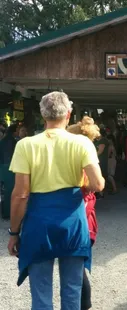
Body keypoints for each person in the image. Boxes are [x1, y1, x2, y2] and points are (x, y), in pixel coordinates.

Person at [7, 92, 105, 310]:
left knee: (41, 293)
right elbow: (98, 185)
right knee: (72, 290)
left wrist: (14, 233)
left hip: (39, 221)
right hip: (73, 221)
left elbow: (21, 194)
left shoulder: (26, 145)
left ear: (43, 115)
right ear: (68, 114)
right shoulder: (82, 143)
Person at [67, 116, 101, 310]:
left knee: (77, 269)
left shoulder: (78, 154)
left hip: (80, 214)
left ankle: (85, 305)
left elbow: (94, 184)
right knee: (78, 266)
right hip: (87, 214)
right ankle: (84, 304)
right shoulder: (87, 152)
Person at [0, 124, 18, 219]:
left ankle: (5, 213)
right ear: (14, 131)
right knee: (9, 192)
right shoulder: (11, 141)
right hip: (9, 170)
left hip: (4, 169)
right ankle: (8, 213)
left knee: (5, 192)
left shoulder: (4, 140)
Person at [96, 127, 110, 198]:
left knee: (100, 175)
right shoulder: (98, 140)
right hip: (98, 161)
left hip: (101, 161)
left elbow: (100, 151)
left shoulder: (103, 140)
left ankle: (101, 193)